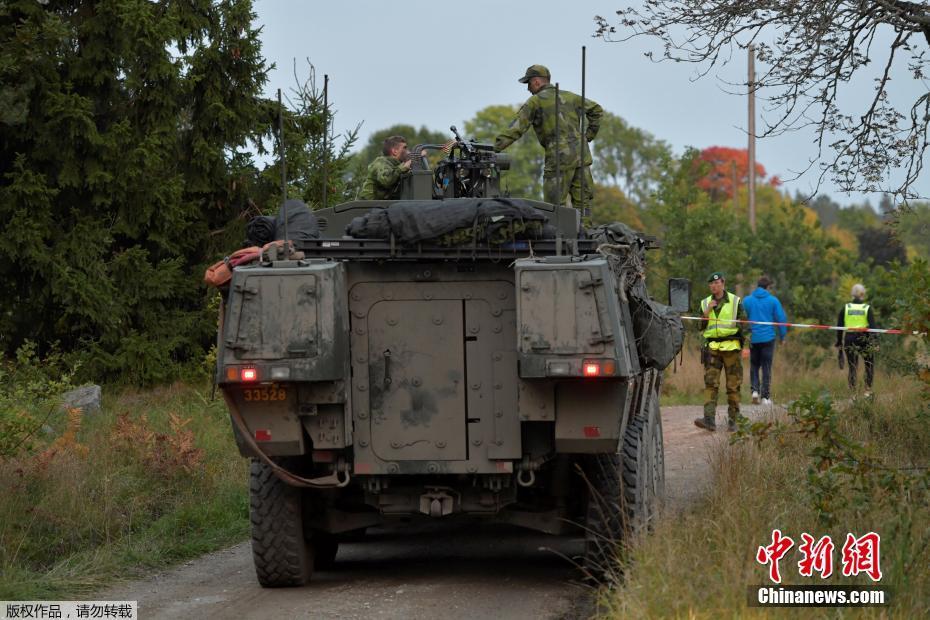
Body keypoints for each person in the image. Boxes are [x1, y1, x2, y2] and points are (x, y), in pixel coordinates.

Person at [494, 64, 603, 207]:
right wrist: (587, 137)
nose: (528, 89)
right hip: (581, 157)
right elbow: (596, 110)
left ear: (536, 81)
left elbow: (516, 129)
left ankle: (560, 224)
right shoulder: (571, 97)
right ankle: (584, 223)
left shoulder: (535, 101)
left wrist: (493, 149)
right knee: (583, 204)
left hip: (558, 158)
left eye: (528, 84)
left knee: (554, 207)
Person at [695, 272, 750, 433]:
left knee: (733, 386)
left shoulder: (735, 301)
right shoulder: (705, 302)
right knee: (710, 384)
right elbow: (699, 326)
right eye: (711, 284)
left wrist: (746, 345)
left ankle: (734, 420)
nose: (714, 286)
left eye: (717, 283)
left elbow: (745, 324)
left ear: (723, 283)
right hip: (713, 349)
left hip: (732, 348)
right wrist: (707, 312)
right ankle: (709, 420)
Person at [742, 275, 787, 406]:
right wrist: (783, 337)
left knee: (754, 365)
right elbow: (781, 319)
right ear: (768, 287)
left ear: (758, 286)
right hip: (768, 338)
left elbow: (742, 318)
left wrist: (743, 335)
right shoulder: (773, 300)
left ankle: (754, 391)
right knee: (766, 367)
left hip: (753, 338)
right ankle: (765, 397)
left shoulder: (747, 300)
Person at [836, 283, 877, 395]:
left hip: (849, 338)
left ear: (852, 294)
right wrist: (875, 342)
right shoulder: (866, 308)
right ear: (863, 294)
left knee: (852, 366)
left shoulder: (846, 308)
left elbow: (839, 327)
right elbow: (873, 328)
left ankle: (853, 393)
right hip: (865, 339)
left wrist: (839, 342)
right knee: (869, 364)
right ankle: (867, 390)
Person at [359, 135, 412, 200]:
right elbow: (386, 180)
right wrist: (404, 167)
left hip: (382, 204)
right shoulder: (380, 162)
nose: (407, 151)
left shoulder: (396, 165)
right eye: (404, 148)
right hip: (368, 204)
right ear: (394, 151)